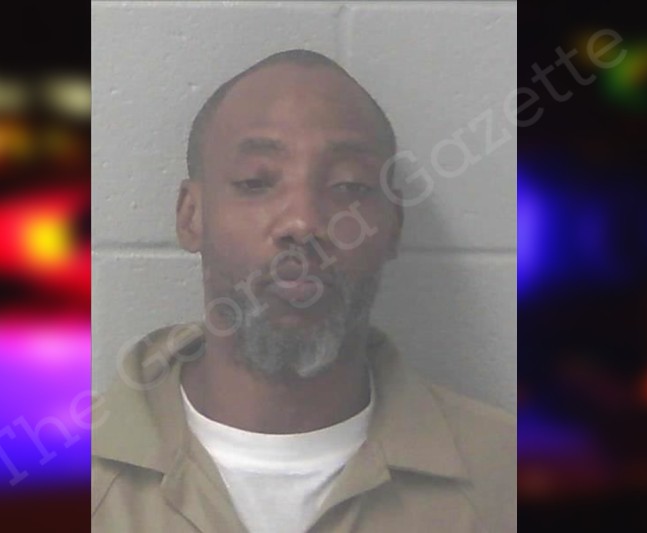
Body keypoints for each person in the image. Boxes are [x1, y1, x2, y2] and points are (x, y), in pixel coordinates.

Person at [92, 49, 515, 533]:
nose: (304, 221)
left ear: (393, 225)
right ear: (192, 216)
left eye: (350, 186)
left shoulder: (505, 476)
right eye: (256, 182)